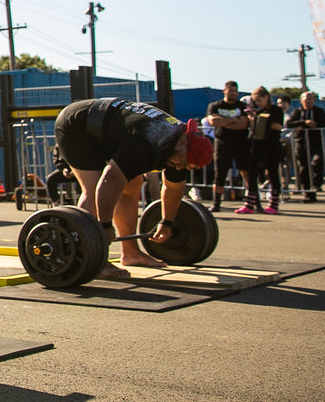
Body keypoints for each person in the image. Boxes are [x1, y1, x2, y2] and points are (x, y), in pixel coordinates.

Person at [53, 97, 214, 279]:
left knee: (132, 184)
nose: (179, 167)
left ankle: (130, 253)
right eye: (182, 162)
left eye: (186, 166)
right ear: (183, 142)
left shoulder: (181, 149)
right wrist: (104, 226)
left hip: (110, 128)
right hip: (78, 126)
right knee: (92, 188)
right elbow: (110, 180)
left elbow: (174, 188)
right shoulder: (147, 143)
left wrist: (166, 223)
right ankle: (91, 257)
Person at [204, 80, 252, 213]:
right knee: (219, 174)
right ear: (224, 91)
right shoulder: (215, 106)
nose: (233, 93)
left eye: (235, 91)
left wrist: (223, 121)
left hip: (241, 142)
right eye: (230, 90)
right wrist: (233, 120)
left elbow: (243, 124)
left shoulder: (242, 106)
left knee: (246, 172)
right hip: (222, 143)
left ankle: (252, 201)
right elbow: (213, 121)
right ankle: (216, 203)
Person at [241, 86, 285, 214]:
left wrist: (264, 120)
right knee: (252, 173)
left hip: (272, 146)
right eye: (255, 101)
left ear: (266, 97)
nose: (257, 103)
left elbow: (278, 126)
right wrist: (252, 118)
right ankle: (250, 204)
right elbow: (254, 129)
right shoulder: (258, 112)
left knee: (272, 173)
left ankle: (274, 204)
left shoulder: (276, 110)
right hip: (257, 146)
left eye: (259, 100)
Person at [286, 91, 325, 203]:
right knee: (303, 167)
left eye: (310, 99)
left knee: (317, 161)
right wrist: (304, 123)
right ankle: (307, 192)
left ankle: (317, 183)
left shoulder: (319, 111)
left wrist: (313, 125)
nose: (308, 101)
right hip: (301, 142)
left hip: (316, 142)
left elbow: (322, 123)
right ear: (301, 101)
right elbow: (289, 124)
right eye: (306, 99)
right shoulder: (297, 112)